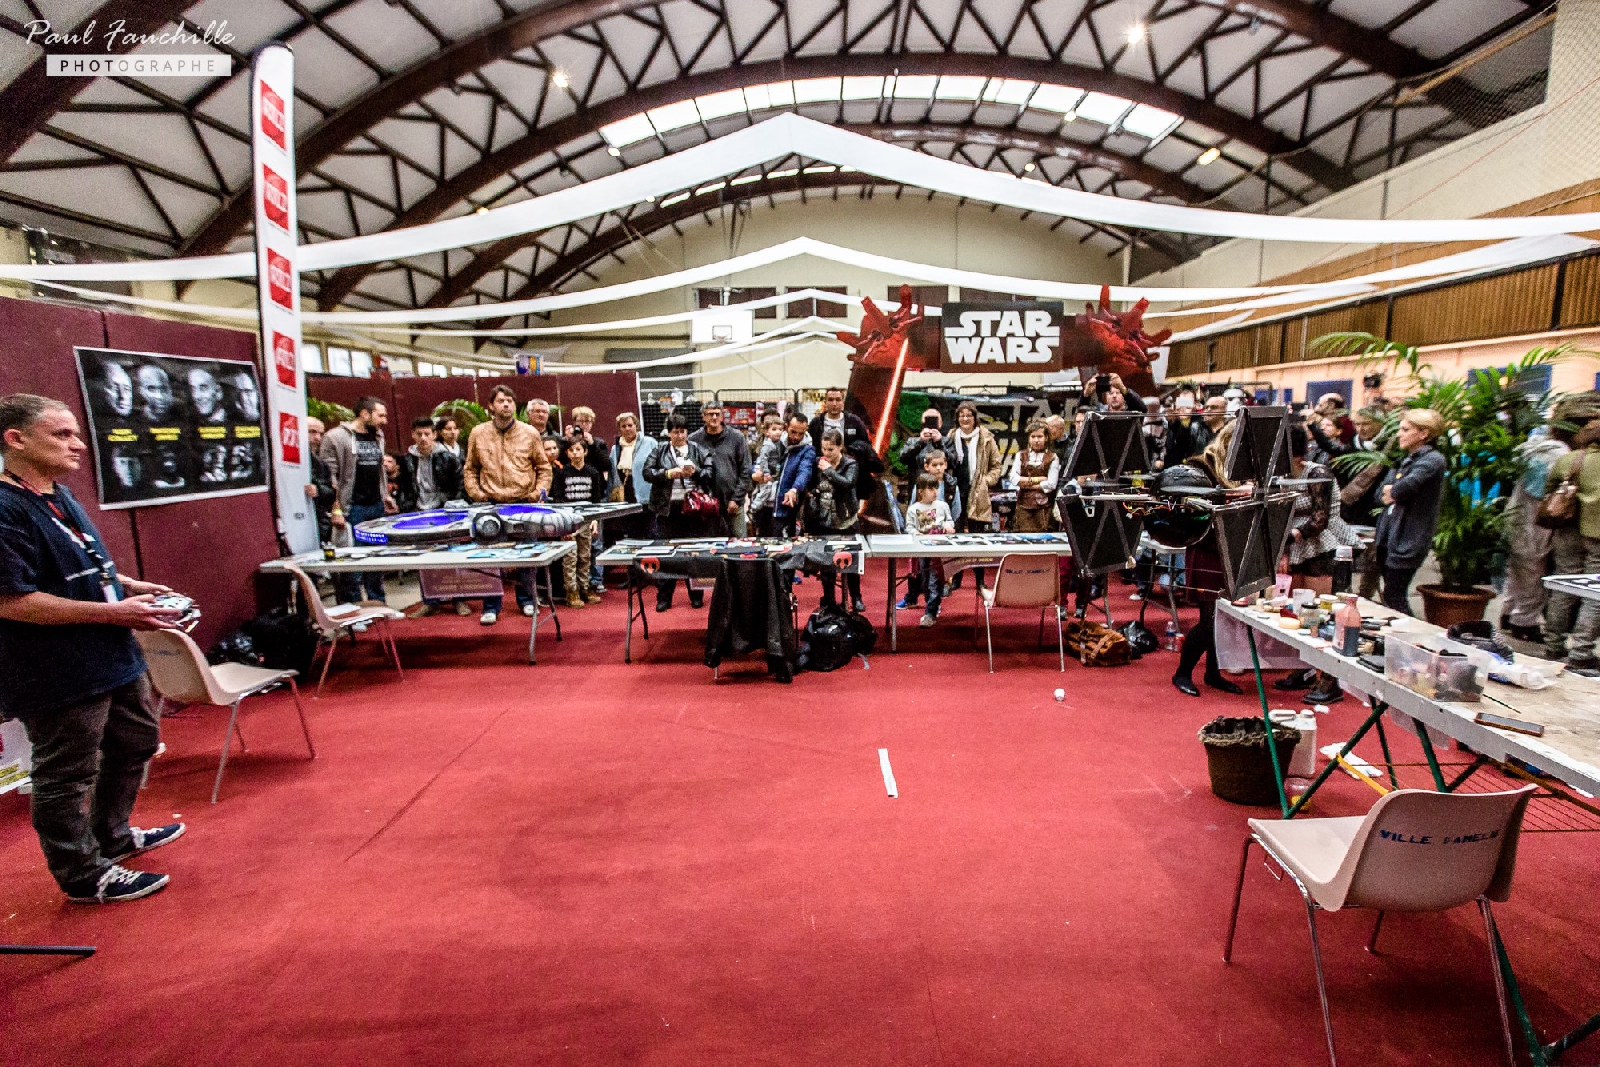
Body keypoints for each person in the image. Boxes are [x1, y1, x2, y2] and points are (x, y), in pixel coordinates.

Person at [0, 394, 187, 904]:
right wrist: (114, 613)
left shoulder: (57, 494)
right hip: (56, 669)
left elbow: (79, 562)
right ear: (16, 439)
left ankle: (113, 836)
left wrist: (128, 586)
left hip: (112, 654)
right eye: (62, 435)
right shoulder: (6, 508)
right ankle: (82, 874)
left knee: (137, 741)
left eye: (76, 434)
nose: (78, 445)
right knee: (66, 774)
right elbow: (12, 601)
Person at [1274, 424, 1363, 704]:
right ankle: (1304, 670)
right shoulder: (1281, 476)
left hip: (1322, 545)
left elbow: (1320, 519)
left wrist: (1288, 538)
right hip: (1296, 546)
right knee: (1299, 614)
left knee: (1323, 615)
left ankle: (1330, 681)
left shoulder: (1317, 473)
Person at [463, 384, 553, 624]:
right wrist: (477, 494)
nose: (506, 405)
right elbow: (470, 468)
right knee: (490, 558)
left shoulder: (529, 433)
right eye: (501, 401)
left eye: (510, 401)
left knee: (526, 556)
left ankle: (527, 600)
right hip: (490, 505)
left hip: (524, 503)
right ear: (491, 406)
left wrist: (538, 493)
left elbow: (544, 468)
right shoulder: (478, 433)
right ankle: (491, 606)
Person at [1171, 422, 1246, 698]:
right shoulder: (1201, 467)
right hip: (1206, 549)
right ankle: (1182, 673)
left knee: (1222, 618)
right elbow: (1192, 511)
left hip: (1228, 551)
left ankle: (1213, 673)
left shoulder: (1239, 469)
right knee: (1209, 619)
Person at [320, 396, 396, 605]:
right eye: (380, 415)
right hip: (351, 509)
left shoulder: (377, 436)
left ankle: (378, 604)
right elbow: (330, 477)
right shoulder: (335, 437)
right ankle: (353, 608)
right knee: (352, 564)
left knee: (376, 560)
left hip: (376, 507)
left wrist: (385, 495)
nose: (384, 421)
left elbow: (379, 469)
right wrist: (336, 509)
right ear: (365, 414)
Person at [1373, 408, 1447, 615]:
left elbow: (1400, 490)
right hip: (1389, 536)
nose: (1399, 434)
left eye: (1405, 430)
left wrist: (1394, 491)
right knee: (1390, 595)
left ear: (1424, 433)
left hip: (1408, 539)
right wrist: (1392, 492)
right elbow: (1380, 494)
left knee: (1394, 596)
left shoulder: (1433, 460)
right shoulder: (1406, 460)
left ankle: (1408, 632)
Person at [1543, 408, 1600, 671]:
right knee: (1593, 593)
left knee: (1563, 586)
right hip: (1597, 535)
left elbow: (1548, 490)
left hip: (1566, 529)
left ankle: (1553, 644)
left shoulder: (1569, 459)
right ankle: (1581, 651)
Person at [1503, 425, 1571, 642]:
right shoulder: (1560, 455)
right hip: (1537, 518)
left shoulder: (1534, 446)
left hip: (1517, 512)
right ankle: (1524, 622)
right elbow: (1541, 491)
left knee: (1517, 568)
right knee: (1533, 569)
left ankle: (1509, 612)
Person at [642, 413, 714, 611]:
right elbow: (647, 472)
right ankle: (664, 597)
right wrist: (667, 474)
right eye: (675, 432)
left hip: (693, 509)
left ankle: (696, 595)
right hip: (667, 509)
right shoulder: (659, 450)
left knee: (694, 553)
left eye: (683, 432)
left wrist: (695, 472)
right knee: (666, 554)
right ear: (669, 433)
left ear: (687, 432)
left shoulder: (698, 450)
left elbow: (710, 474)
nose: (680, 436)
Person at [806, 429, 864, 612]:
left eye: (830, 449)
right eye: (824, 449)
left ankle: (856, 597)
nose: (826, 453)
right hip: (824, 519)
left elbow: (847, 484)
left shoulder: (851, 464)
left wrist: (829, 471)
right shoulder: (817, 463)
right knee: (827, 563)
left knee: (851, 560)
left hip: (846, 519)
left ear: (840, 447)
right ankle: (829, 598)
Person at [550, 437, 605, 609]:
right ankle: (571, 591)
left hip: (586, 520)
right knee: (570, 557)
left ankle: (585, 587)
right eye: (572, 450)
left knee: (585, 556)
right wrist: (564, 524)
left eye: (578, 449)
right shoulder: (562, 473)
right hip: (569, 521)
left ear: (585, 452)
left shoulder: (593, 472)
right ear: (567, 453)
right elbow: (558, 499)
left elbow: (596, 499)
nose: (575, 453)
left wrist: (594, 520)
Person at [689, 399, 752, 537]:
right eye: (710, 414)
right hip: (705, 504)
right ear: (703, 416)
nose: (714, 417)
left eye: (717, 414)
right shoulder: (693, 440)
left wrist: (736, 499)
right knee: (708, 543)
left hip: (733, 502)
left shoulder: (737, 438)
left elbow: (746, 470)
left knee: (740, 542)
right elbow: (691, 470)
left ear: (722, 415)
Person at [904, 473, 955, 629]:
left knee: (934, 580)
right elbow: (909, 528)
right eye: (930, 489)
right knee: (925, 580)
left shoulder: (943, 506)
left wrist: (948, 526)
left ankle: (930, 612)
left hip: (938, 551)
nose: (935, 492)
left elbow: (950, 520)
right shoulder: (913, 509)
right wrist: (916, 534)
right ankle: (931, 604)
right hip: (922, 550)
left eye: (936, 488)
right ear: (920, 491)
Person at [945, 402, 1004, 534]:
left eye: (969, 415)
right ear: (957, 418)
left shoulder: (986, 438)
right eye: (962, 415)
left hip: (978, 489)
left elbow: (996, 466)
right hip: (955, 488)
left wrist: (986, 481)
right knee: (955, 527)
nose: (965, 419)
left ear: (975, 418)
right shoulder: (951, 437)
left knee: (977, 530)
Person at [397, 415, 462, 514]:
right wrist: (405, 506)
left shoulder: (448, 458)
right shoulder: (406, 460)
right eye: (419, 434)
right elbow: (403, 488)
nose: (423, 438)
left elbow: (458, 485)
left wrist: (451, 505)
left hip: (442, 508)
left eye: (427, 434)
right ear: (413, 434)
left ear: (434, 435)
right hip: (415, 509)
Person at [609, 412, 656, 542]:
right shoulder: (615, 449)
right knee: (631, 532)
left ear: (636, 426)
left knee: (649, 531)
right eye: (623, 426)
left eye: (630, 425)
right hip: (626, 493)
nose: (627, 428)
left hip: (646, 494)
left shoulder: (650, 443)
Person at [1007, 419, 1059, 533]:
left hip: (1043, 508)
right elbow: (1013, 478)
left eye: (1039, 436)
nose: (1036, 440)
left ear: (1046, 437)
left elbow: (1051, 484)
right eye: (1033, 436)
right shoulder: (1021, 455)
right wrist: (1037, 480)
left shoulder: (1053, 457)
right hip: (1023, 506)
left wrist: (1025, 484)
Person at [772, 412, 817, 539]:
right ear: (786, 427)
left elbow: (804, 471)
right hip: (766, 503)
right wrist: (756, 471)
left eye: (801, 433)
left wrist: (795, 489)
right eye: (793, 432)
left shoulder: (807, 450)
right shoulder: (775, 442)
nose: (796, 437)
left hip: (786, 508)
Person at [749, 415, 785, 537]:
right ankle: (754, 507)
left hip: (773, 472)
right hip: (765, 472)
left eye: (780, 429)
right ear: (766, 432)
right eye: (774, 429)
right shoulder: (767, 445)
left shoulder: (779, 444)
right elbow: (763, 460)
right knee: (765, 489)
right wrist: (765, 472)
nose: (778, 432)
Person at [304, 416, 336, 545]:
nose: (317, 438)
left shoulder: (321, 464)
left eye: (320, 434)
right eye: (312, 432)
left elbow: (331, 492)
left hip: (318, 521)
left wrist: (318, 490)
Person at [897, 407, 945, 476]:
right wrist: (920, 442)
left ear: (940, 423)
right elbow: (902, 459)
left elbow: (953, 462)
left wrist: (939, 443)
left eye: (934, 419)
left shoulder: (947, 441)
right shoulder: (912, 441)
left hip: (940, 480)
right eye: (928, 419)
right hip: (918, 481)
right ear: (922, 422)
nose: (931, 423)